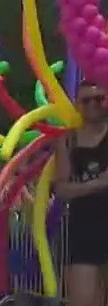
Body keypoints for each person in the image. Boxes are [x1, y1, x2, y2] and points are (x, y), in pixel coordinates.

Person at [54, 80, 108, 306]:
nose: (94, 104)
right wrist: (99, 183)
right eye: (87, 100)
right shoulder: (68, 141)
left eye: (99, 98)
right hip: (84, 228)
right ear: (78, 104)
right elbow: (62, 189)